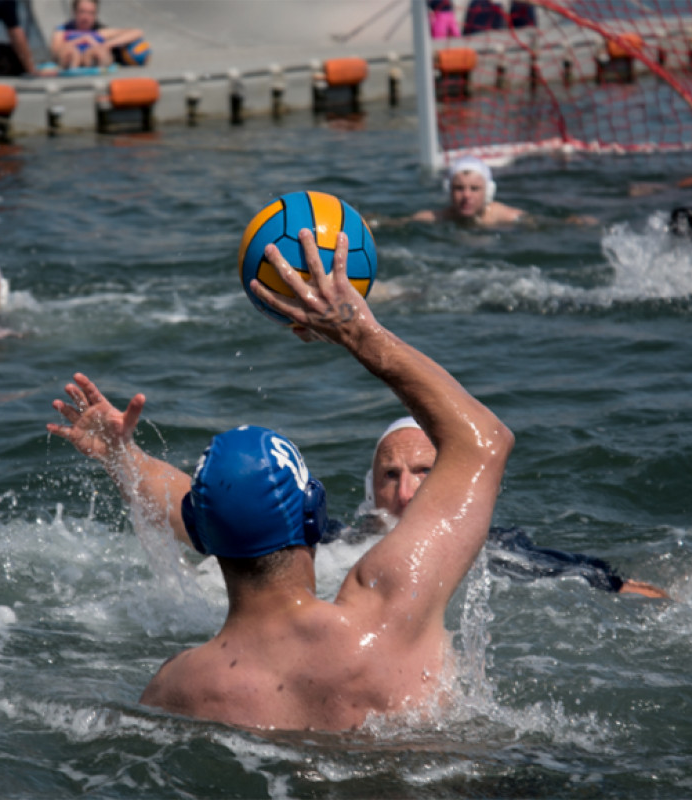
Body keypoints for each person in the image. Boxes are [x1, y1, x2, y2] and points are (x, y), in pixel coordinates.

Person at [46, 228, 514, 730]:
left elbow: (188, 503)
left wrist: (124, 457)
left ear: (204, 537)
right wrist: (358, 333)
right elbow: (482, 441)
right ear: (314, 516)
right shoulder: (387, 614)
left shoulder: (177, 687)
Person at [334, 416, 669, 599]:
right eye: (391, 476)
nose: (405, 493)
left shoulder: (495, 551)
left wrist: (623, 589)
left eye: (424, 471)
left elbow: (596, 580)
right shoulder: (334, 549)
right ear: (371, 489)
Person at [412, 155, 527, 227]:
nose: (466, 195)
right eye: (459, 188)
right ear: (449, 190)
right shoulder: (434, 218)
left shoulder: (509, 218)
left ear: (488, 192)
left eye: (474, 189)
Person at [49, 0, 146, 71]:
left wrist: (107, 45)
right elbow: (55, 51)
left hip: (94, 57)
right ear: (74, 12)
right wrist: (79, 41)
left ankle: (95, 64)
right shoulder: (63, 31)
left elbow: (137, 32)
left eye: (91, 13)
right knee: (69, 51)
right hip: (71, 56)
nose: (86, 17)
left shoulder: (100, 32)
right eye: (82, 12)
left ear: (96, 15)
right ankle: (73, 66)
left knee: (98, 51)